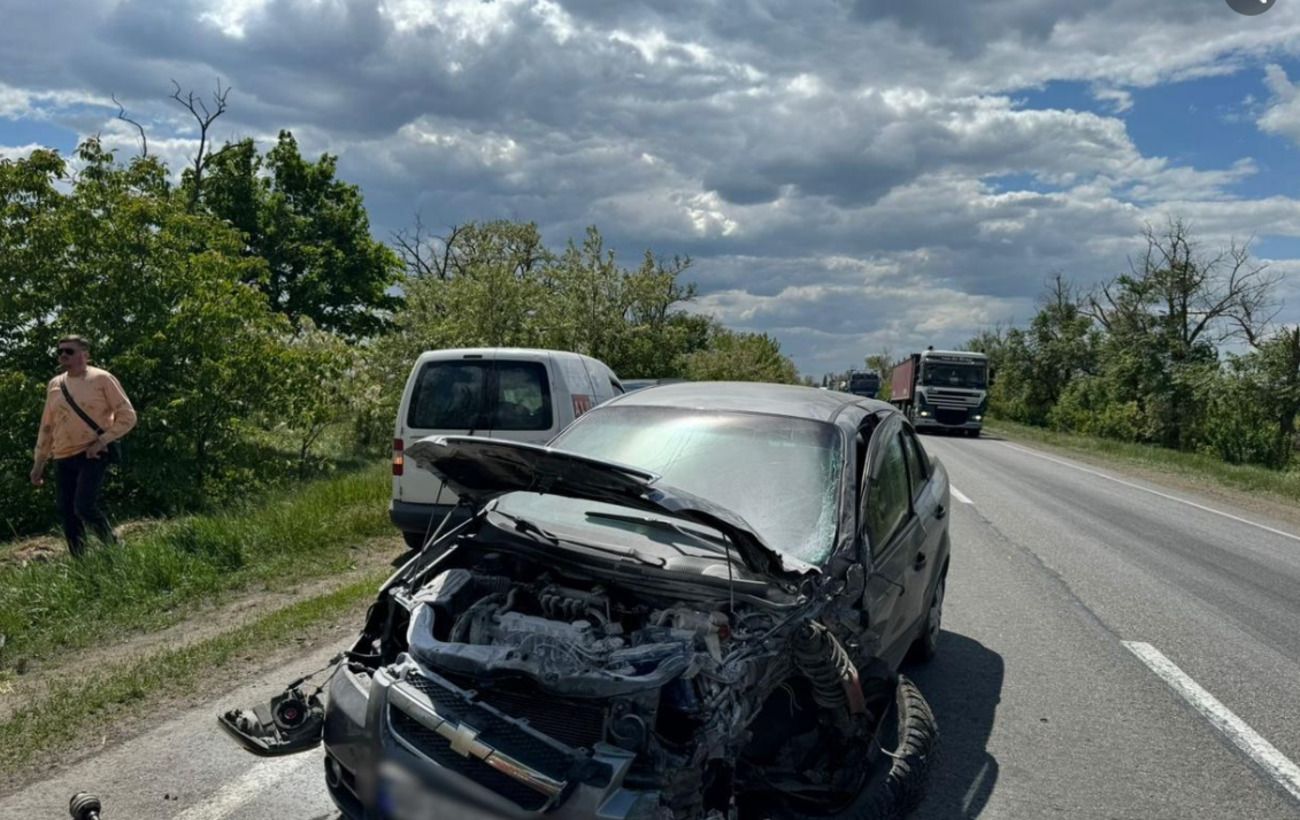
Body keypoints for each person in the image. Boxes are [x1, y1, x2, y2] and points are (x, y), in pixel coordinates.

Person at [29, 336, 137, 557]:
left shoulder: (102, 379)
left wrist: (102, 441)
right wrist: (39, 463)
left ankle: (115, 549)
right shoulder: (55, 385)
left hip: (92, 452)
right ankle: (81, 562)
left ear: (85, 354)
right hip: (62, 455)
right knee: (67, 512)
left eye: (69, 351)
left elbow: (127, 416)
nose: (63, 356)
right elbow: (47, 426)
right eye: (60, 352)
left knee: (84, 506)